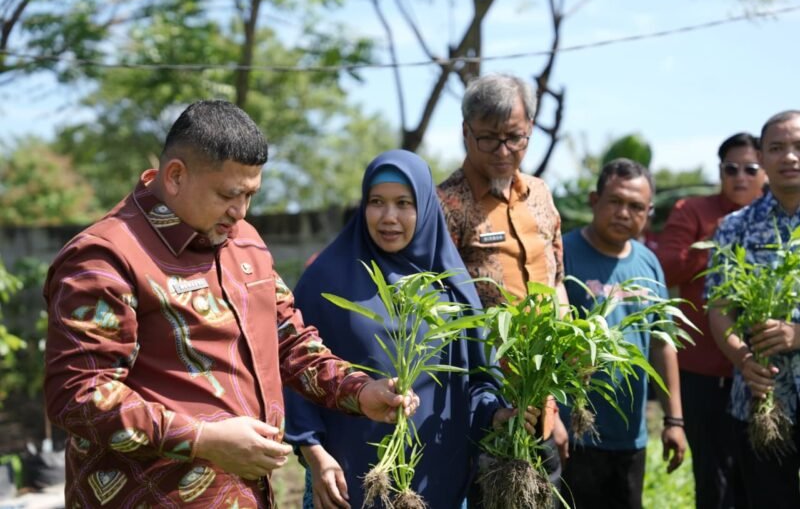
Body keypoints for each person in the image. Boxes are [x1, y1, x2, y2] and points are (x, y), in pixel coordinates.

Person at [42, 100, 418, 508]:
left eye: (250, 195)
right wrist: (202, 440)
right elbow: (78, 394)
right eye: (228, 194)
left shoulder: (244, 241)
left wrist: (359, 391)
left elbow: (289, 342)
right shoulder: (106, 257)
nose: (239, 211)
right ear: (175, 176)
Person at [283, 149, 508, 509]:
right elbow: (294, 371)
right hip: (347, 484)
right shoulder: (326, 279)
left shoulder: (451, 286)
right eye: (377, 202)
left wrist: (498, 414)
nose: (389, 217)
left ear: (426, 208)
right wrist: (314, 454)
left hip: (436, 484)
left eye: (404, 203)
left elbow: (477, 382)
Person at [436, 73, 569, 491]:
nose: (504, 151)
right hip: (483, 396)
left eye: (516, 138)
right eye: (488, 139)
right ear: (465, 132)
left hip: (541, 392)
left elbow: (558, 280)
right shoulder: (446, 205)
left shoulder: (541, 194)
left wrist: (558, 399)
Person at [559, 158, 686, 509]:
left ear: (648, 212)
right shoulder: (563, 254)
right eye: (614, 201)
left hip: (630, 436)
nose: (623, 213)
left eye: (635, 206)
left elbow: (662, 343)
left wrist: (674, 420)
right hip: (574, 434)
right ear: (593, 200)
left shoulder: (648, 262)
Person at [656, 132, 765, 509]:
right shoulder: (693, 211)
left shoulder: (778, 218)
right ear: (719, 170)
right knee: (714, 480)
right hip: (704, 373)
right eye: (730, 168)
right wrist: (716, 249)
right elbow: (666, 268)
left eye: (751, 168)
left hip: (763, 373)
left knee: (763, 477)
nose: (740, 177)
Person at [707, 110, 800, 509]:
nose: (789, 157)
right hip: (761, 400)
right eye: (777, 148)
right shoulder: (734, 227)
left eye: (798, 147)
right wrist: (744, 360)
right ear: (760, 156)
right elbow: (720, 309)